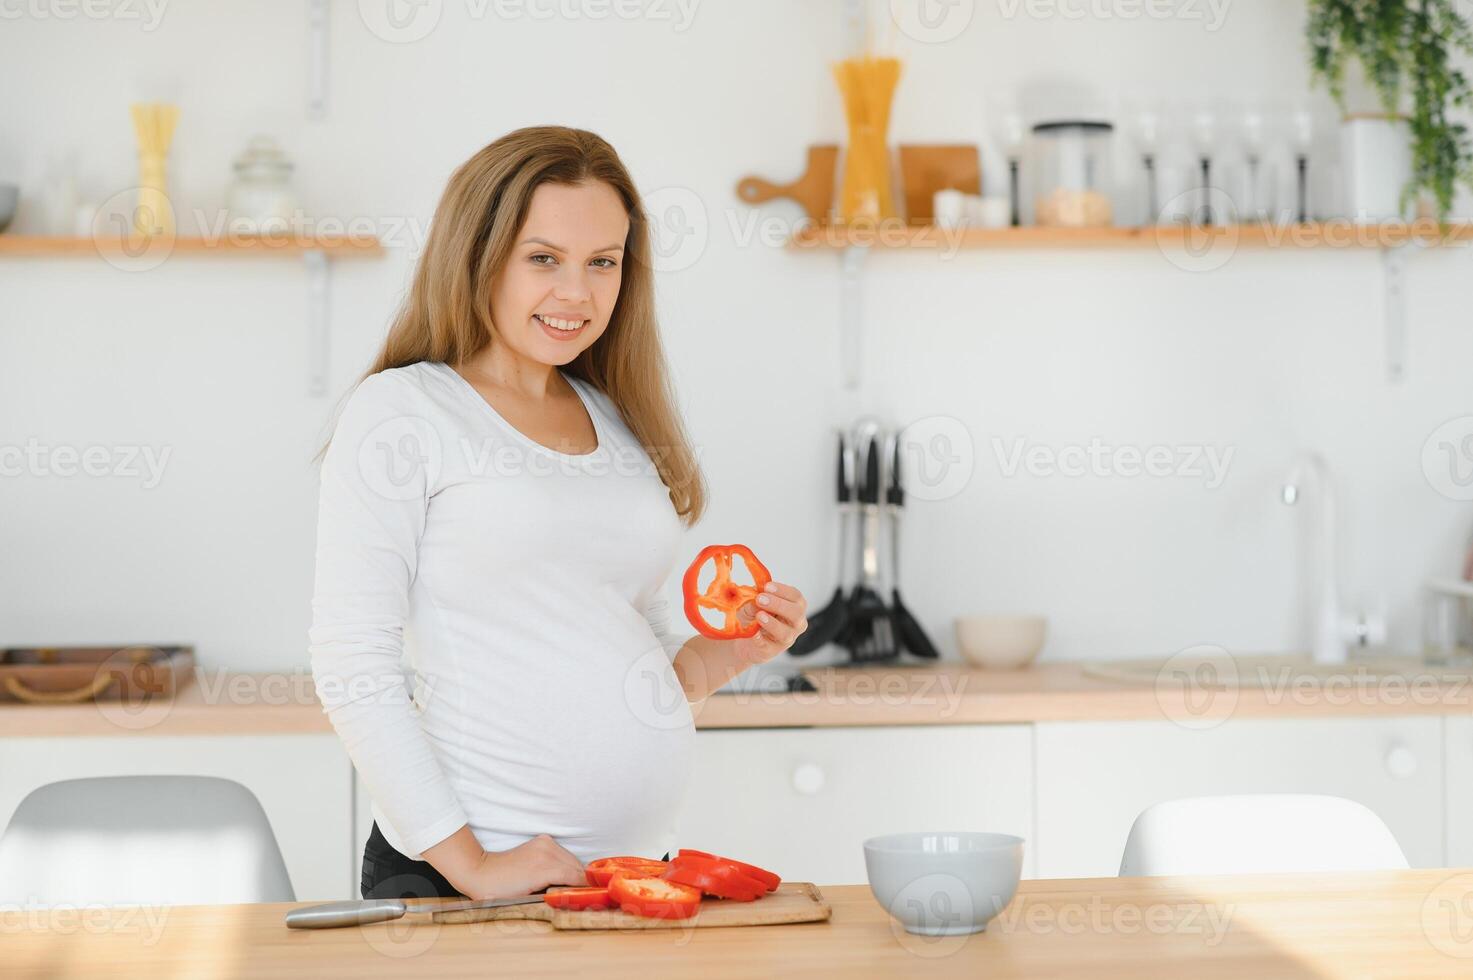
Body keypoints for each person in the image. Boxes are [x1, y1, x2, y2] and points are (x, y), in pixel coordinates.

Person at [307, 126, 808, 901]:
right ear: (478, 255)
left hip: (631, 874)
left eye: (602, 262)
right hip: (471, 882)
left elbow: (628, 652)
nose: (577, 293)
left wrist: (729, 656)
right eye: (543, 258)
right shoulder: (406, 412)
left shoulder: (613, 417)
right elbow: (352, 662)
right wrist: (472, 868)